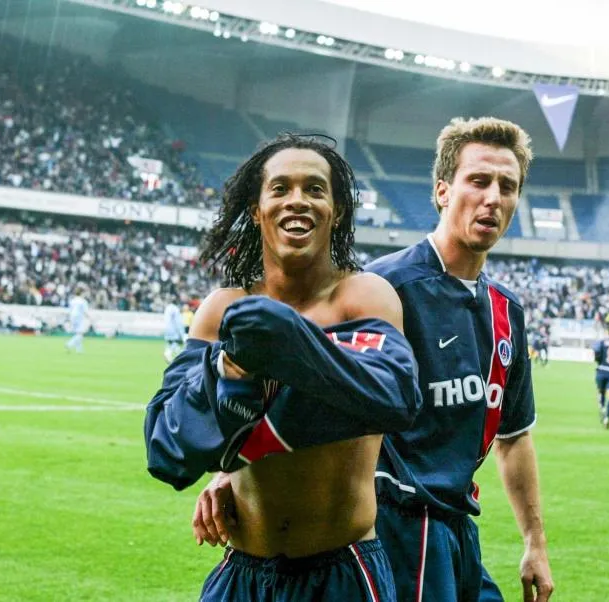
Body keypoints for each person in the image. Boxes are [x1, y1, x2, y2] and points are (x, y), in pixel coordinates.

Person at [193, 118, 555, 602]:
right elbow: (294, 387)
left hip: (459, 529)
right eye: (478, 180)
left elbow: (514, 436)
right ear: (442, 191)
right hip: (393, 525)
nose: (492, 197)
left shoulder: (506, 312)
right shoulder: (380, 290)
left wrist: (535, 543)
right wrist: (231, 473)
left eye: (507, 186)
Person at [144, 134, 422, 601]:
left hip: (343, 572)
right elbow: (166, 447)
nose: (297, 200)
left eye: (315, 189)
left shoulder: (364, 296)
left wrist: (283, 347)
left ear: (336, 210)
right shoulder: (221, 309)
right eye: (280, 188)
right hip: (242, 572)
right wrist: (230, 369)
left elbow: (392, 397)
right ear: (257, 210)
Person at [65, 285, 90, 353]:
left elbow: (70, 310)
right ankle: (69, 344)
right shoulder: (83, 301)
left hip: (72, 317)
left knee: (77, 333)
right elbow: (85, 311)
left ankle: (79, 350)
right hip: (79, 317)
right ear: (82, 293)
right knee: (80, 334)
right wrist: (90, 317)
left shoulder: (73, 300)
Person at [163, 298, 187, 363]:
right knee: (176, 342)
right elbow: (178, 321)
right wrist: (181, 332)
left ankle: (169, 353)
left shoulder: (167, 308)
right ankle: (173, 354)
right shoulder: (175, 309)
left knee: (171, 343)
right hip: (174, 329)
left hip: (167, 329)